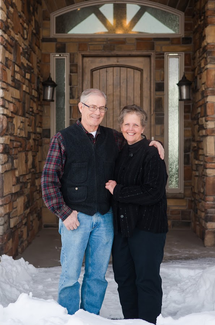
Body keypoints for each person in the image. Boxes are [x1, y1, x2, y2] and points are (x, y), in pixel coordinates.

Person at [41, 89, 164, 316]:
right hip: (75, 218)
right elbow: (48, 181)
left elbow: (134, 142)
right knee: (70, 276)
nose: (97, 112)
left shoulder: (113, 138)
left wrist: (154, 144)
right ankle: (68, 319)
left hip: (105, 218)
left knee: (97, 277)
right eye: (92, 107)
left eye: (102, 108)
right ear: (80, 107)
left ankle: (90, 318)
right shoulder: (63, 138)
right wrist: (64, 213)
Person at [105, 104, 168, 324]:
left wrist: (118, 190)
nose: (130, 128)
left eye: (136, 124)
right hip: (123, 228)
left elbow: (153, 192)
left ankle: (149, 321)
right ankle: (132, 321)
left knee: (146, 279)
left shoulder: (151, 153)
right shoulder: (121, 151)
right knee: (124, 278)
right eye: (126, 124)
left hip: (147, 229)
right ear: (120, 126)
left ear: (143, 127)